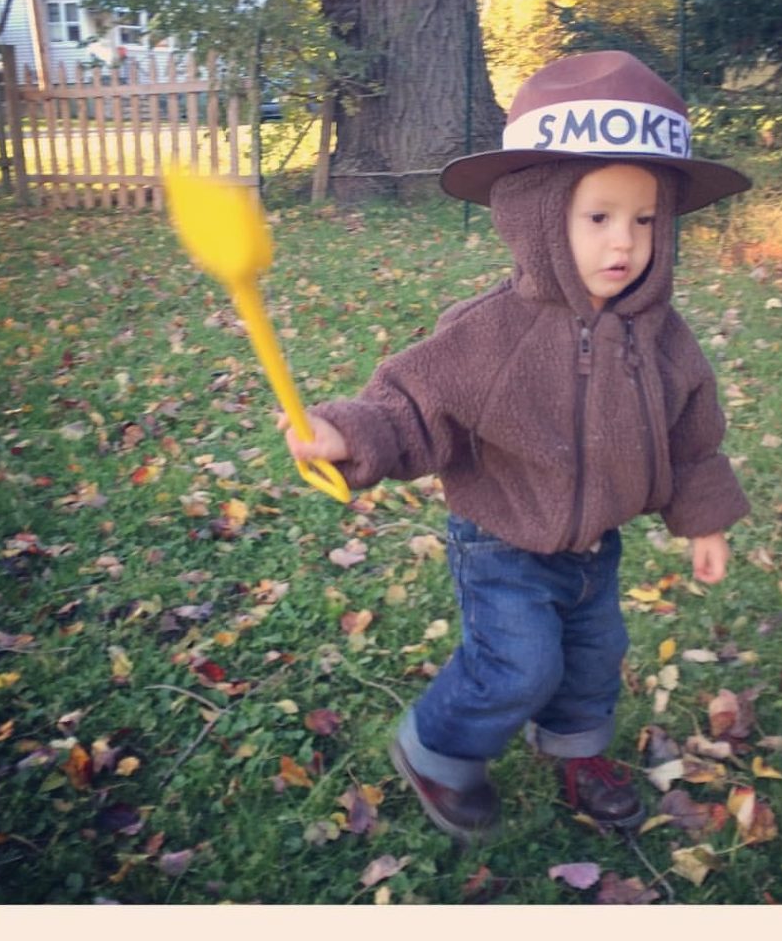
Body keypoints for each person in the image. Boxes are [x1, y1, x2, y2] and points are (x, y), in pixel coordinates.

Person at [279, 51, 752, 842]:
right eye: (598, 217)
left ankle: (576, 753)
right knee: (520, 663)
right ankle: (438, 750)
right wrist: (347, 432)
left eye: (644, 220)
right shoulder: (493, 331)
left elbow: (691, 437)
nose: (624, 242)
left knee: (594, 658)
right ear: (539, 215)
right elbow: (412, 407)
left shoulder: (663, 337)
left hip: (595, 545)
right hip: (502, 540)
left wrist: (704, 519)